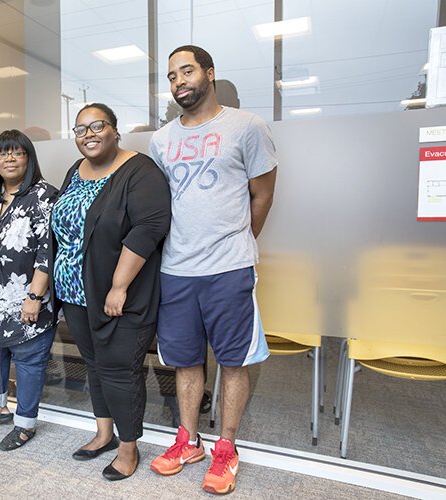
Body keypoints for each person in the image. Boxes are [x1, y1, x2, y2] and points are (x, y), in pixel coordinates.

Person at [148, 45, 277, 495]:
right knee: (184, 360)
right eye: (171, 76)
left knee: (233, 360)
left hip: (228, 266)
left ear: (209, 73)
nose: (179, 81)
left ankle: (227, 446)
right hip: (177, 269)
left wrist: (238, 243)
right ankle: (188, 442)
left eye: (187, 71)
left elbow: (262, 196)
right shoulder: (161, 140)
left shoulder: (247, 127)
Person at [51, 103, 171, 480]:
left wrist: (119, 286)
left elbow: (148, 228)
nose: (88, 134)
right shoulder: (77, 170)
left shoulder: (140, 170)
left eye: (97, 125)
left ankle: (128, 447)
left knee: (120, 369)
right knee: (94, 364)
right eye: (80, 128)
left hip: (120, 294)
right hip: (75, 291)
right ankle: (103, 433)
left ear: (115, 130)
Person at [0, 130, 58, 451]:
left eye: (17, 153)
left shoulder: (44, 196)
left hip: (24, 298)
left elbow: (48, 252)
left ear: (29, 159)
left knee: (29, 360)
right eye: (2, 154)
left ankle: (25, 424)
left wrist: (34, 297)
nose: (9, 159)